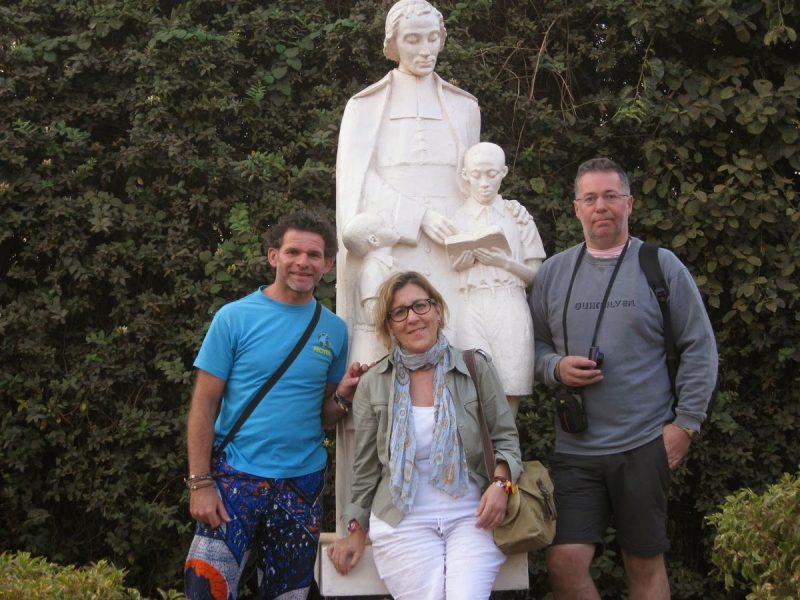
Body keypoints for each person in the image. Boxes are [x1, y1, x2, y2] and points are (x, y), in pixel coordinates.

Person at [528, 158, 718, 599]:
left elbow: (699, 346)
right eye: (591, 198)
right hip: (575, 448)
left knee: (644, 563)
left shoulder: (660, 266)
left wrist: (686, 424)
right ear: (576, 208)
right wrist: (555, 367)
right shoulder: (553, 273)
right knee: (563, 561)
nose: (602, 207)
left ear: (629, 204)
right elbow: (531, 349)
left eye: (611, 196)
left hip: (643, 443)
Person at [183, 210, 368, 600]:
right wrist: (200, 483)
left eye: (314, 255)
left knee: (289, 595)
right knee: (207, 590)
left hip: (301, 485)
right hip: (234, 479)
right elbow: (203, 404)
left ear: (328, 264)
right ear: (273, 256)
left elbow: (323, 415)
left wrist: (343, 397)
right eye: (293, 252)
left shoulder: (334, 329)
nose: (303, 262)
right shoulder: (233, 318)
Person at [327, 271, 523, 600]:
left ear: (438, 311)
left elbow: (506, 439)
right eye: (399, 312)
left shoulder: (474, 367)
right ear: (389, 325)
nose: (413, 318)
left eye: (420, 306)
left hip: (472, 514)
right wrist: (354, 528)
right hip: (401, 517)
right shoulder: (375, 381)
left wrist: (502, 485)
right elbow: (364, 469)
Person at [336, 0, 481, 362]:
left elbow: (478, 180)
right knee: (389, 338)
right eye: (413, 39)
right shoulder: (365, 106)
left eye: (433, 38)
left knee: (455, 339)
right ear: (393, 43)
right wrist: (418, 217)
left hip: (452, 245)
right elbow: (359, 181)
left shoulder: (464, 106)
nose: (425, 49)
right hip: (393, 240)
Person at [451, 142, 546, 413]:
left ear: (504, 172)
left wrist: (503, 262)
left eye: (491, 174)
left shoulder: (518, 217)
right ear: (465, 174)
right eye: (476, 174)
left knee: (509, 385)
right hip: (470, 305)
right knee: (471, 388)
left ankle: (505, 455)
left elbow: (536, 275)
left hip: (509, 302)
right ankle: (477, 455)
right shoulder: (458, 217)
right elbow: (452, 264)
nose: (483, 183)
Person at [341, 212, 400, 364]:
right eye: (384, 225)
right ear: (374, 240)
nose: (391, 225)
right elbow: (373, 315)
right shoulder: (372, 269)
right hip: (372, 349)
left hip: (379, 344)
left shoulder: (382, 265)